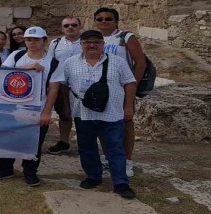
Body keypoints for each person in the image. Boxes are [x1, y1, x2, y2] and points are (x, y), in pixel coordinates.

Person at [41, 30, 138, 199]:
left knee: (114, 147)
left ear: (103, 44)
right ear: (81, 45)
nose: (92, 45)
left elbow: (129, 83)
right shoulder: (70, 63)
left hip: (111, 113)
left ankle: (120, 182)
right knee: (86, 147)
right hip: (83, 113)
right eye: (87, 42)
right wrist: (66, 107)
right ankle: (93, 176)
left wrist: (128, 107)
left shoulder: (117, 62)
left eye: (96, 42)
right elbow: (64, 86)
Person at [0, 26, 61, 187]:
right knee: (6, 139)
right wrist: (27, 68)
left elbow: (54, 89)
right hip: (11, 107)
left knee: (34, 143)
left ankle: (30, 172)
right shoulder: (16, 55)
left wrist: (47, 112)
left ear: (44, 41)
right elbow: (2, 73)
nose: (32, 43)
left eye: (36, 39)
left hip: (37, 109)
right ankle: (5, 169)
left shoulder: (53, 63)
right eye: (29, 39)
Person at [94, 7, 146, 177]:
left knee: (126, 122)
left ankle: (127, 160)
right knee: (102, 123)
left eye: (108, 18)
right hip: (101, 88)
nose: (104, 21)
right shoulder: (94, 39)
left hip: (123, 87)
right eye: (99, 19)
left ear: (116, 21)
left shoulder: (125, 37)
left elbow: (140, 62)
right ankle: (108, 157)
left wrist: (133, 84)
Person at [46, 17, 84, 155]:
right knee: (64, 113)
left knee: (83, 115)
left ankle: (85, 143)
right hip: (61, 83)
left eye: (74, 25)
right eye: (66, 25)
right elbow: (50, 62)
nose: (70, 27)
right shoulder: (55, 43)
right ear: (62, 29)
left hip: (81, 83)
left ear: (79, 27)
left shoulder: (86, 42)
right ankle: (64, 141)